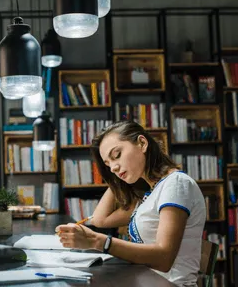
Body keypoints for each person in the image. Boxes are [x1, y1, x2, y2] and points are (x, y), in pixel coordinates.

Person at [55, 121, 206, 287]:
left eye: (117, 155)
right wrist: (117, 175)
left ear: (142, 143)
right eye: (108, 164)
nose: (112, 167)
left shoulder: (176, 184)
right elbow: (100, 219)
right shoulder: (151, 193)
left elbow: (164, 259)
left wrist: (97, 241)